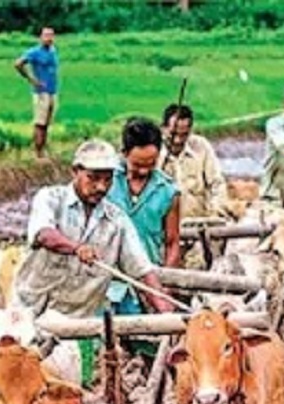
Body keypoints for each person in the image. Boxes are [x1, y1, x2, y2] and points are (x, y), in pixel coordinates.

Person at [14, 139, 175, 385]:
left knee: (69, 395)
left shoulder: (116, 222)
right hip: (30, 318)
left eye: (107, 179)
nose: (101, 186)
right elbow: (43, 234)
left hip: (77, 330)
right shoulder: (50, 199)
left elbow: (142, 271)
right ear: (75, 172)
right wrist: (76, 248)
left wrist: (167, 313)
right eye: (93, 178)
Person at [106, 117, 180, 334]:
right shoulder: (106, 182)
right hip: (108, 279)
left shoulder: (168, 192)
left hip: (148, 280)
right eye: (137, 165)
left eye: (151, 164)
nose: (144, 171)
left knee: (148, 345)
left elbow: (172, 242)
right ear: (124, 153)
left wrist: (165, 285)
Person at [160, 104, 227, 221]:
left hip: (197, 224)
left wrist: (216, 212)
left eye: (184, 135)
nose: (177, 140)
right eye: (173, 134)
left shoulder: (201, 147)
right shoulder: (153, 151)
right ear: (163, 128)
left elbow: (217, 183)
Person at [14, 27, 60, 160]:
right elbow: (18, 64)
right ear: (41, 37)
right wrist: (32, 79)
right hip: (41, 92)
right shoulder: (34, 52)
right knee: (40, 122)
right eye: (46, 35)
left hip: (52, 91)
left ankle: (43, 150)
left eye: (51, 35)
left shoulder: (53, 51)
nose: (49, 38)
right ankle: (38, 153)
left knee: (47, 123)